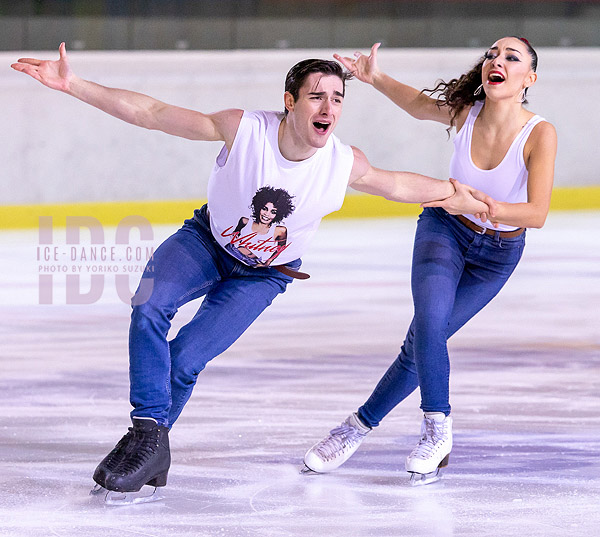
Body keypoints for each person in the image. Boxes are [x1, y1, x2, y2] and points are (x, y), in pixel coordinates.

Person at [12, 43, 492, 498]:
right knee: (149, 304)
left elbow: (397, 185)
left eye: (337, 98)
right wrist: (73, 85)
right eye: (316, 96)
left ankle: (149, 447)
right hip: (205, 242)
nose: (328, 107)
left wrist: (454, 193)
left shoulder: (342, 163)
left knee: (184, 361)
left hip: (265, 275)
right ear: (289, 101)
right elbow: (153, 114)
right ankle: (147, 433)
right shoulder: (244, 130)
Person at [303, 37, 557, 485]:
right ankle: (437, 429)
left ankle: (356, 427)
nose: (496, 61)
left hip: (497, 256)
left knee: (420, 342)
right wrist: (374, 77)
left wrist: (484, 206)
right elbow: (419, 105)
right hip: (445, 229)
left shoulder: (539, 133)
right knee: (430, 325)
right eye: (492, 55)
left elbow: (536, 213)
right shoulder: (467, 111)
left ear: (528, 79)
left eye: (511, 58)